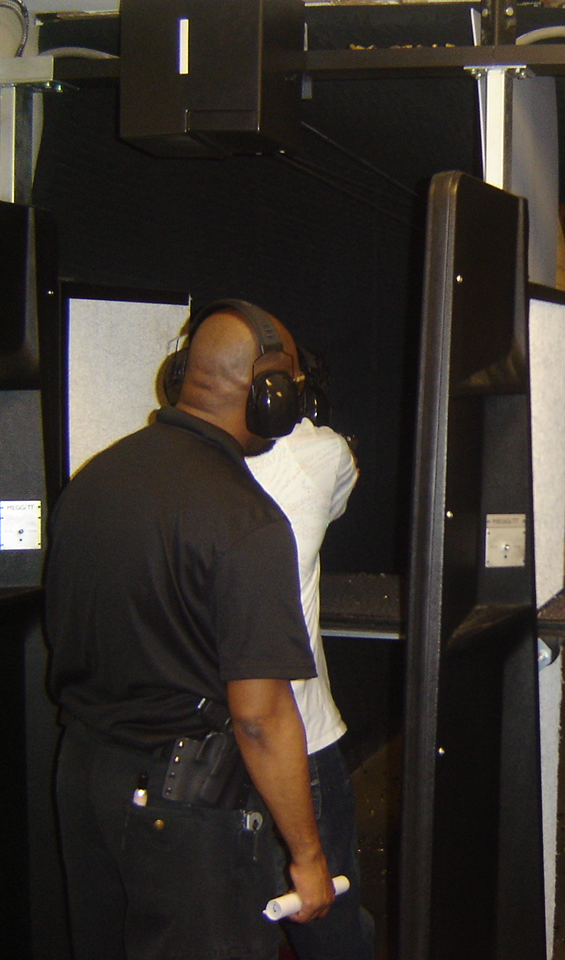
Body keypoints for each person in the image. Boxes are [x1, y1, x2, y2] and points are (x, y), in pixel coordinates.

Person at [46, 301, 335, 960]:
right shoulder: (247, 522)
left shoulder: (94, 482)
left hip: (85, 778)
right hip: (181, 808)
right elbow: (260, 718)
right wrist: (308, 855)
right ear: (271, 396)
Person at [247, 412, 374, 959]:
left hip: (196, 747)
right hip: (297, 737)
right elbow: (340, 495)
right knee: (329, 921)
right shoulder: (317, 452)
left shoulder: (164, 466)